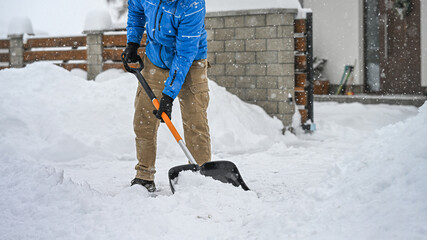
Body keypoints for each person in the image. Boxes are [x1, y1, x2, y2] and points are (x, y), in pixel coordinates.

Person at [122, 0, 211, 192]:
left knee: (195, 120)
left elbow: (184, 53)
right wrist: (132, 42)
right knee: (144, 119)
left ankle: (201, 176)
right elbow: (136, 10)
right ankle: (144, 175)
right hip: (155, 58)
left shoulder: (192, 4)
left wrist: (168, 95)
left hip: (191, 61)